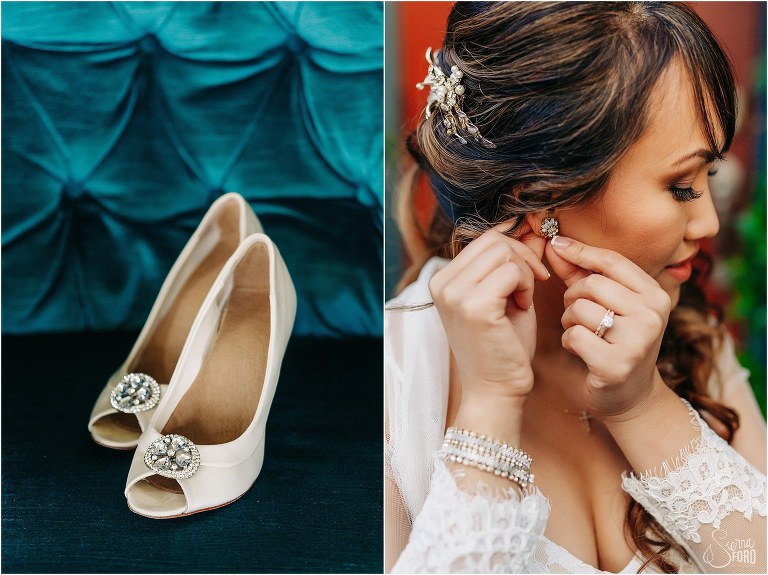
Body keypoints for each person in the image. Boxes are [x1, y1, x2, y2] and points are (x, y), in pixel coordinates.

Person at [384, 2, 766, 573]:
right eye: (682, 186)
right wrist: (490, 407)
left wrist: (644, 406)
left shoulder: (691, 332)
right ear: (536, 201)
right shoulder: (391, 377)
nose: (710, 222)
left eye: (709, 176)